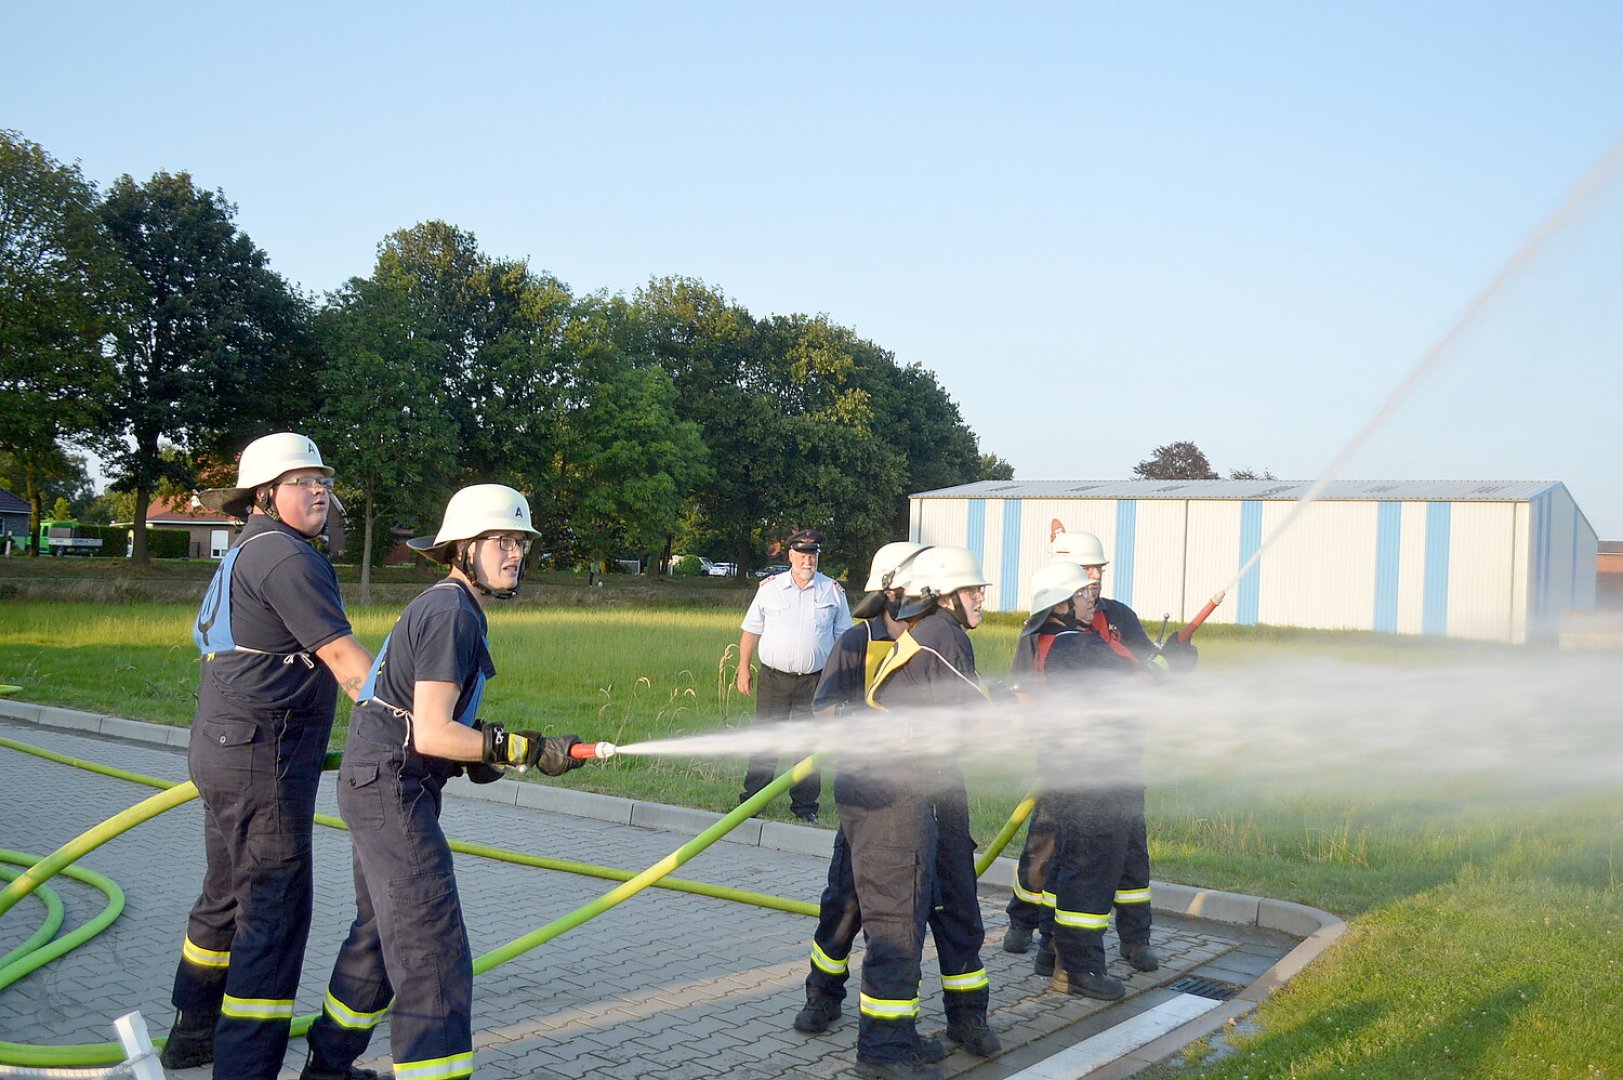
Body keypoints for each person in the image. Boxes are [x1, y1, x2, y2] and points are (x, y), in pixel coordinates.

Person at [302, 484, 588, 1080]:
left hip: (380, 783)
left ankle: (326, 1069)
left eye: (520, 542)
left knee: (380, 938)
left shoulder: (447, 607)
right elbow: (431, 732)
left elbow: (429, 720)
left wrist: (485, 749)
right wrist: (522, 750)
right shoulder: (451, 612)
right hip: (393, 789)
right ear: (463, 549)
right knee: (433, 952)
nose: (515, 553)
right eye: (501, 541)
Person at [163, 432, 377, 1077]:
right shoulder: (288, 558)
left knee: (224, 897)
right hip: (265, 758)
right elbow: (345, 661)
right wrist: (423, 724)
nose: (319, 490)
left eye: (323, 479)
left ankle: (193, 1031)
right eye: (300, 480)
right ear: (264, 493)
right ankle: (246, 1064)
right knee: (273, 910)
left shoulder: (244, 552)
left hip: (223, 748)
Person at [828, 546, 1000, 1080]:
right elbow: (976, 719)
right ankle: (883, 1056)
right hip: (896, 797)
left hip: (909, 791)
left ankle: (908, 1035)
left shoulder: (926, 637)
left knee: (935, 910)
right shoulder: (944, 635)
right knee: (898, 928)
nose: (980, 598)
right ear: (942, 594)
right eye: (972, 590)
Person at [1001, 530, 1188, 959]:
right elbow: (1027, 687)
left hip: (1121, 754)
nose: (1095, 579)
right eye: (1085, 572)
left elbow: (1147, 665)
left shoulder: (1117, 615)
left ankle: (1134, 938)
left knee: (1129, 847)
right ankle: (1028, 924)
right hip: (1068, 757)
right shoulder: (1048, 628)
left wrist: (1175, 658)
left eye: (1098, 570)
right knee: (1049, 842)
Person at [736, 528, 853, 822]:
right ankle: (752, 802)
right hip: (774, 678)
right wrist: (742, 668)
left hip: (815, 681)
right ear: (791, 555)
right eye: (802, 554)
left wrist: (839, 684)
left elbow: (844, 641)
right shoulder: (770, 588)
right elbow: (751, 630)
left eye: (812, 555)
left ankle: (804, 808)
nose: (807, 560)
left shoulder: (833, 592)